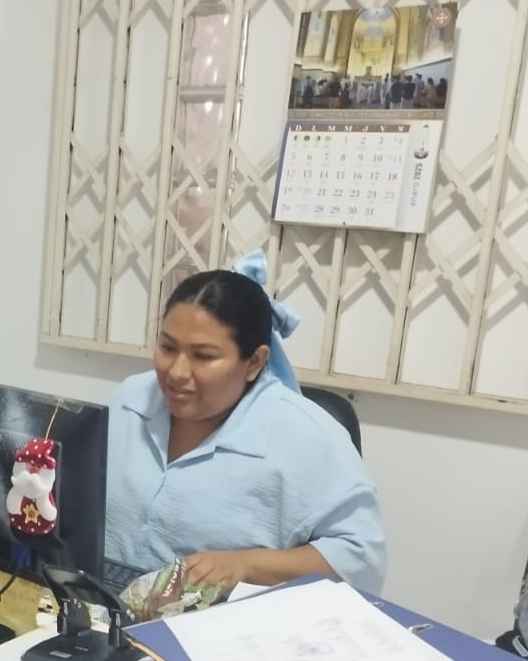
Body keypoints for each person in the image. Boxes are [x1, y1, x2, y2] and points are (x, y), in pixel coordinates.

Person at [104, 254, 387, 595]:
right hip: (101, 607)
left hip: (223, 622)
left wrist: (246, 565)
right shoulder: (129, 400)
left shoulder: (306, 437)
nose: (177, 372)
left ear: (254, 362)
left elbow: (361, 560)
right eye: (167, 347)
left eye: (203, 356)